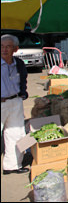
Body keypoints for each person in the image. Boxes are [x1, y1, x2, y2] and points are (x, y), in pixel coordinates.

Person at [1, 34, 30, 175]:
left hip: (15, 102)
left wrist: (23, 93)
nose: (4, 49)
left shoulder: (18, 63)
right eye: (1, 46)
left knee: (16, 134)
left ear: (15, 49)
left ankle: (12, 166)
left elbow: (23, 79)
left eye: (8, 46)